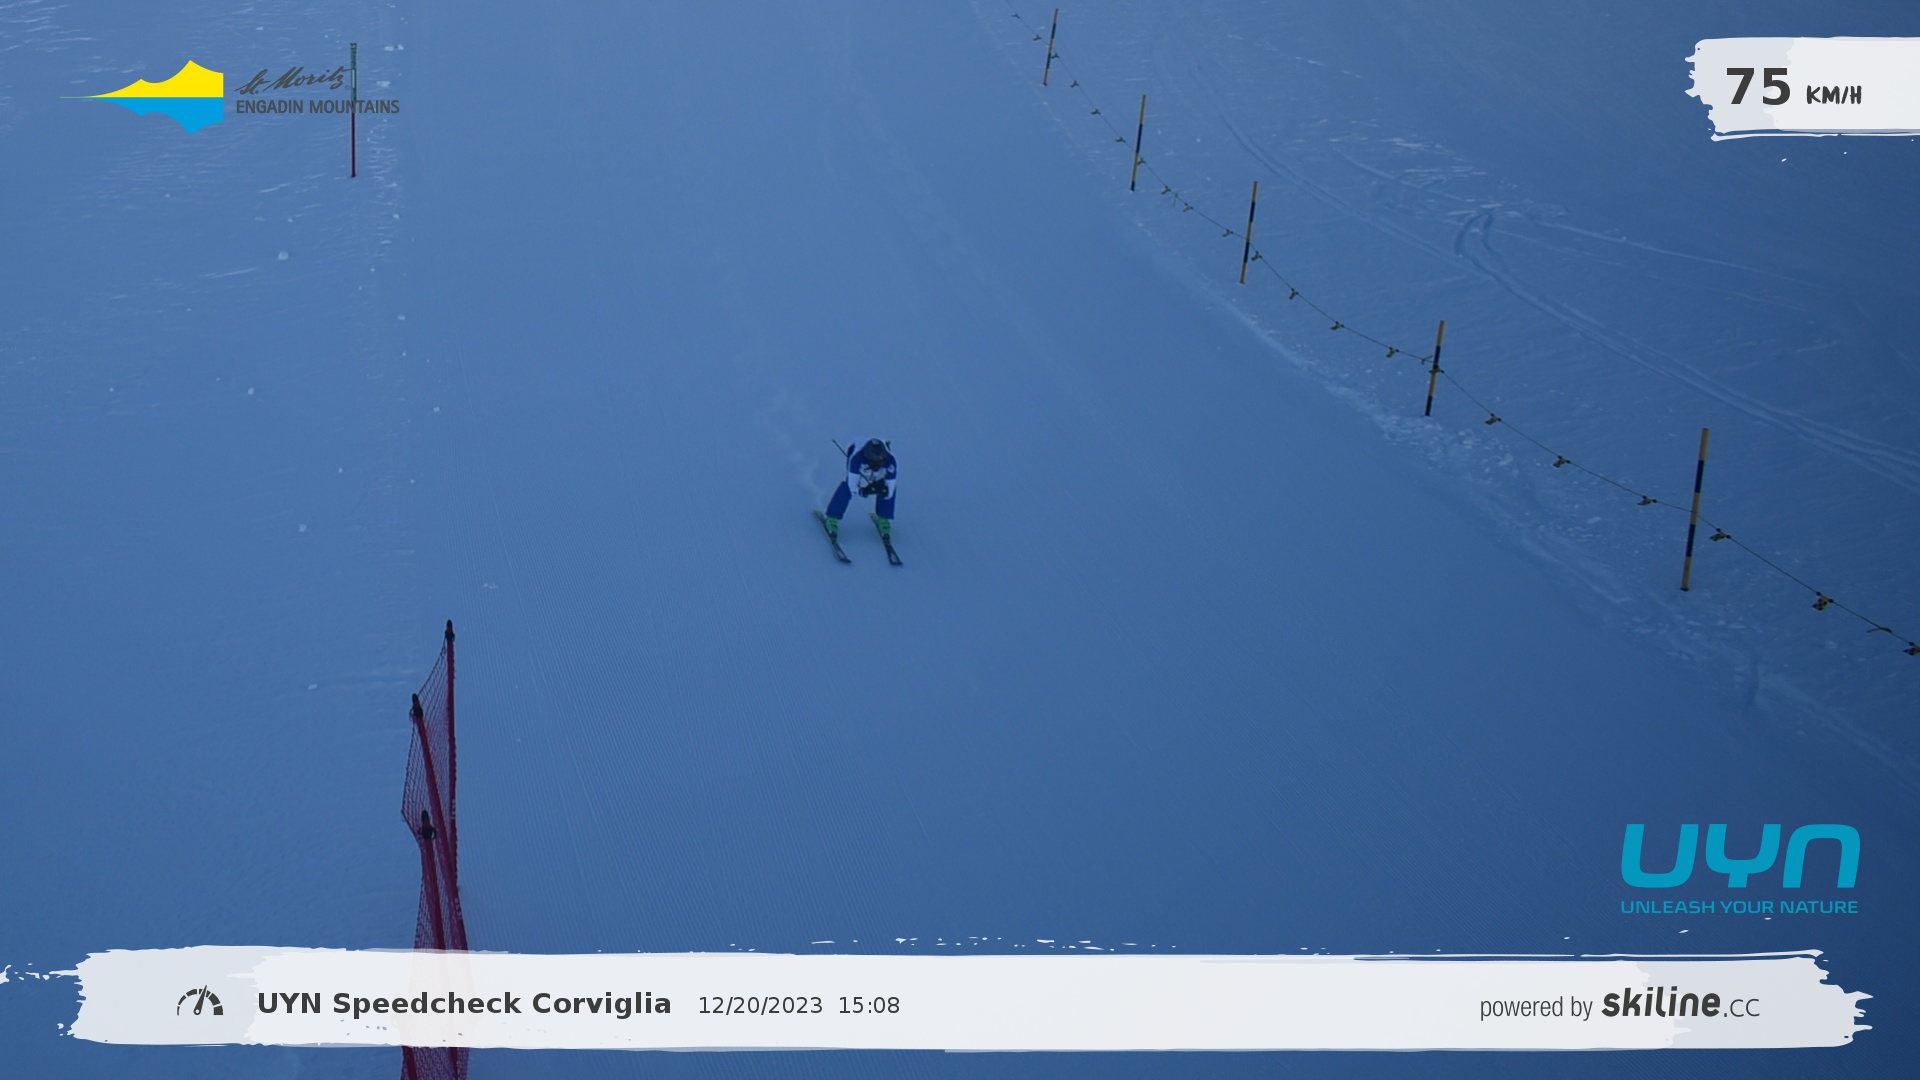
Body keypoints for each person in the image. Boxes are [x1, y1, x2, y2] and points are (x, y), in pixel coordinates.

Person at [823, 437, 896, 539]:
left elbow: (891, 487)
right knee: (847, 486)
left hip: (877, 463)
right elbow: (852, 486)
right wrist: (862, 491)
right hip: (858, 456)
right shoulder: (856, 459)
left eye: (880, 464)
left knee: (885, 486)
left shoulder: (891, 461)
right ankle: (833, 517)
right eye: (875, 465)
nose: (876, 468)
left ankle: (884, 517)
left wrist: (883, 491)